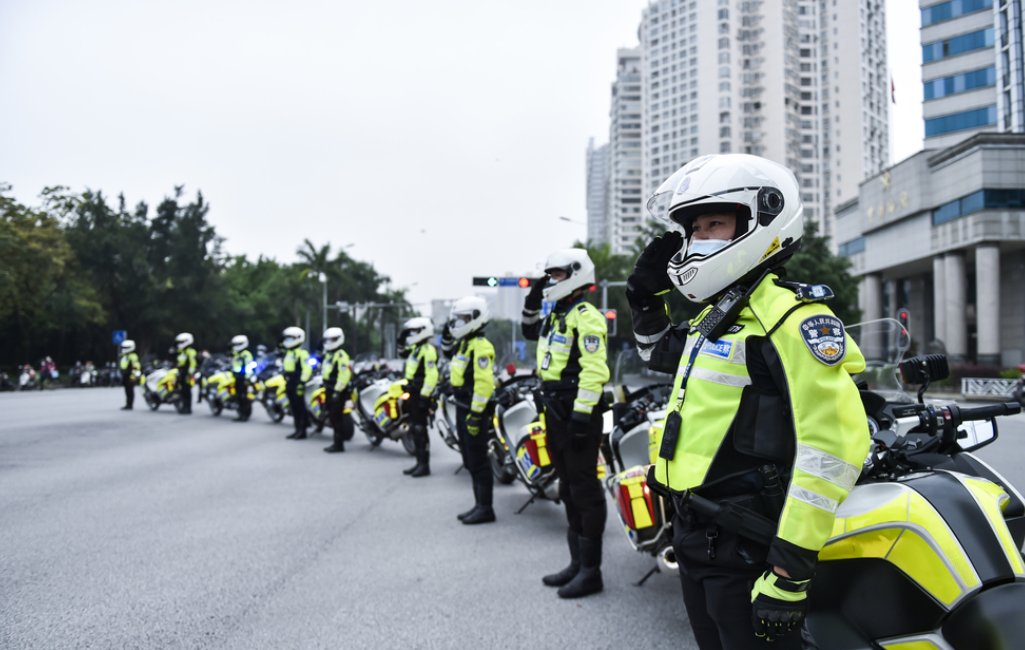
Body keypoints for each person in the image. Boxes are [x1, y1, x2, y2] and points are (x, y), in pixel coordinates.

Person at [628, 153, 869, 648]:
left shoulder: (792, 320)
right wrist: (644, 299)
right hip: (696, 534)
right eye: (692, 228)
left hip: (749, 548)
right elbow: (658, 355)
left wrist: (789, 570)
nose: (697, 239)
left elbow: (832, 452)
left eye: (713, 223)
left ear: (761, 219)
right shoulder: (717, 316)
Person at [521, 249, 610, 599]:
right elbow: (529, 332)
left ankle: (592, 572)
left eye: (556, 275)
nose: (551, 282)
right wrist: (531, 298)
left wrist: (580, 417)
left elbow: (594, 371)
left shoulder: (586, 316)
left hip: (577, 416)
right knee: (568, 489)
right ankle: (576, 563)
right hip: (555, 413)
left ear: (574, 275)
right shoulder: (557, 314)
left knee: (584, 490)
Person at [447, 296, 497, 525]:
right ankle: (479, 504)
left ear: (477, 318)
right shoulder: (464, 344)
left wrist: (476, 415)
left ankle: (485, 508)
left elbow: (484, 384)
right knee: (469, 459)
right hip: (462, 406)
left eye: (464, 318)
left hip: (472, 409)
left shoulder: (481, 346)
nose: (460, 323)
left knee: (478, 460)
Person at [398, 317, 438, 477]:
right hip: (413, 393)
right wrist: (401, 337)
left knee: (420, 429)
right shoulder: (416, 349)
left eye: (414, 331)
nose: (411, 335)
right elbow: (402, 353)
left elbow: (431, 375)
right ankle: (419, 462)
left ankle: (425, 465)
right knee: (414, 428)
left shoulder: (428, 350)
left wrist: (424, 396)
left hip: (421, 395)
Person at [321, 327, 354, 453]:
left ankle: (339, 444)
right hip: (329, 389)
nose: (329, 342)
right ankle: (336, 442)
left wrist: (337, 392)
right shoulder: (329, 355)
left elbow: (344, 375)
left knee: (337, 418)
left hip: (337, 392)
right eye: (327, 340)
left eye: (332, 340)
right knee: (333, 418)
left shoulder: (341, 355)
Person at [281, 326, 312, 440]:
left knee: (300, 407)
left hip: (298, 382)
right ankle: (296, 429)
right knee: (293, 408)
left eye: (290, 338)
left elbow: (307, 369)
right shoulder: (288, 352)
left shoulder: (302, 353)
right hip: (289, 382)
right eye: (287, 338)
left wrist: (302, 383)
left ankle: (302, 430)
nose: (287, 340)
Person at [230, 335, 254, 422]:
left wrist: (247, 378)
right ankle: (240, 414)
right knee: (238, 396)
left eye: (237, 344)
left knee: (244, 397)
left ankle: (245, 415)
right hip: (237, 377)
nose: (235, 346)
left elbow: (249, 366)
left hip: (244, 378)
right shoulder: (236, 354)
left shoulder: (246, 354)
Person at [175, 333, 198, 414]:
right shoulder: (181, 351)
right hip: (181, 373)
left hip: (187, 374)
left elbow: (193, 363)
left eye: (181, 342)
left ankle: (188, 408)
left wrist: (190, 373)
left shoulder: (190, 351)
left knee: (186, 390)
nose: (179, 344)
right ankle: (184, 407)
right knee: (182, 391)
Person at [118, 340, 141, 410]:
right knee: (127, 390)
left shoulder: (133, 356)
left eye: (125, 347)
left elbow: (136, 367)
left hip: (130, 376)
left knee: (130, 391)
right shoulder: (124, 355)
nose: (123, 349)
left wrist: (133, 376)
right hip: (125, 375)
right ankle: (127, 404)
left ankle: (129, 405)